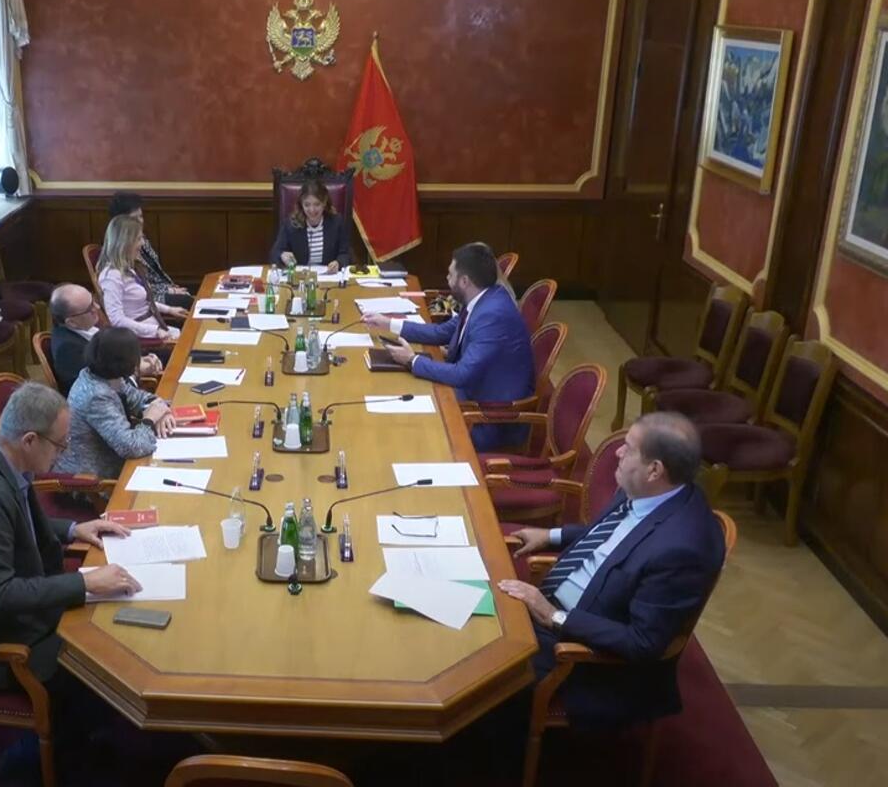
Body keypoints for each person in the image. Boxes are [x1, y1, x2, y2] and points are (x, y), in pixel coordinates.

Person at [498, 412, 726, 728]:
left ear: (654, 470)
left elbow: (643, 642)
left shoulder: (683, 548)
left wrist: (553, 615)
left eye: (628, 448)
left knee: (488, 679)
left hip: (583, 656)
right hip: (553, 608)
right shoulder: (649, 490)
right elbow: (612, 535)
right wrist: (551, 535)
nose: (617, 452)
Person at [0, 381, 141, 692]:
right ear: (29, 440)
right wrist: (84, 582)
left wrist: (73, 529)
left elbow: (14, 523)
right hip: (0, 646)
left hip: (24, 611)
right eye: (60, 444)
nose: (64, 452)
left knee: (118, 623)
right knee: (112, 659)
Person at [362, 242, 533, 450]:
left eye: (451, 275)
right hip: (471, 393)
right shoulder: (484, 297)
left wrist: (412, 360)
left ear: (465, 281)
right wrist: (387, 323)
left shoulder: (492, 315)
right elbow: (441, 332)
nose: (447, 279)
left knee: (408, 430)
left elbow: (461, 374)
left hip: (488, 419)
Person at [55, 327, 175, 480]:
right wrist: (150, 419)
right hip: (93, 478)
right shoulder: (96, 396)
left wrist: (160, 408)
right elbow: (131, 447)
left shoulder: (103, 374)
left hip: (116, 461)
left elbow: (137, 397)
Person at [48, 282, 162, 394]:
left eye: (94, 301)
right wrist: (136, 369)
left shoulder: (85, 327)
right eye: (90, 308)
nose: (97, 307)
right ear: (72, 322)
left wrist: (140, 359)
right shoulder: (67, 350)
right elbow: (103, 388)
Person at [98, 214, 185, 342]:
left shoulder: (130, 268)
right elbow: (116, 319)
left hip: (155, 328)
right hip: (140, 338)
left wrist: (170, 310)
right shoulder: (111, 276)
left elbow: (146, 301)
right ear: (125, 242)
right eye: (138, 239)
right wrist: (155, 331)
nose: (143, 243)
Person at [108, 191, 193, 310]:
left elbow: (156, 272)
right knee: (188, 301)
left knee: (193, 294)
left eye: (141, 216)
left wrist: (171, 287)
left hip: (162, 287)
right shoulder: (120, 250)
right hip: (147, 296)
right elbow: (137, 285)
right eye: (135, 218)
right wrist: (169, 290)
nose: (140, 221)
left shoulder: (141, 238)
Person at [267, 179, 351, 273]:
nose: (312, 210)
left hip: (328, 276)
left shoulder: (336, 222)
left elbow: (345, 254)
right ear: (301, 204)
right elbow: (274, 254)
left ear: (324, 202)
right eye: (307, 205)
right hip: (299, 277)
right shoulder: (291, 224)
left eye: (317, 204)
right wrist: (282, 255)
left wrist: (338, 263)